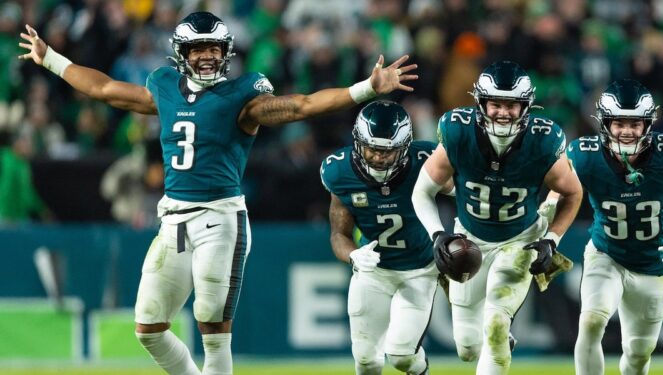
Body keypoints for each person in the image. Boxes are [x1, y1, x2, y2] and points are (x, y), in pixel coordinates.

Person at [19, 12, 417, 375]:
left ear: (226, 52)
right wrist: (50, 58)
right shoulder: (164, 87)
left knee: (211, 321)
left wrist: (367, 88)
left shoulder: (242, 96)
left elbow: (300, 105)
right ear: (182, 53)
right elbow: (105, 88)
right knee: (148, 327)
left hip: (220, 217)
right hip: (173, 219)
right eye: (198, 49)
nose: (208, 57)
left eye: (214, 48)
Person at [411, 60, 583, 374]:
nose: (503, 112)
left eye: (512, 105)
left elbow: (573, 193)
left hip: (521, 240)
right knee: (467, 347)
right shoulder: (458, 131)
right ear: (481, 104)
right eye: (495, 104)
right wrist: (437, 233)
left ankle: (501, 332)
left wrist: (552, 239)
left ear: (526, 107)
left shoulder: (543, 139)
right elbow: (422, 191)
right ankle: (502, 340)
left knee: (494, 321)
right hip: (469, 237)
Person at [551, 79, 663, 375]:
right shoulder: (585, 156)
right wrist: (547, 227)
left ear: (648, 124)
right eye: (619, 123)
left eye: (635, 123)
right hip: (605, 254)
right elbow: (558, 188)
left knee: (637, 355)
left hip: (651, 265)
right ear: (605, 124)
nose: (627, 131)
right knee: (592, 320)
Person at [320, 100, 453, 375]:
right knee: (366, 361)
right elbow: (339, 234)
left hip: (419, 269)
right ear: (358, 142)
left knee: (402, 356)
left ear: (404, 148)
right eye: (372, 148)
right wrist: (354, 255)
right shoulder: (339, 172)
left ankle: (421, 369)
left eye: (387, 151)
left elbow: (465, 194)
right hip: (374, 272)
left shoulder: (425, 160)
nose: (379, 157)